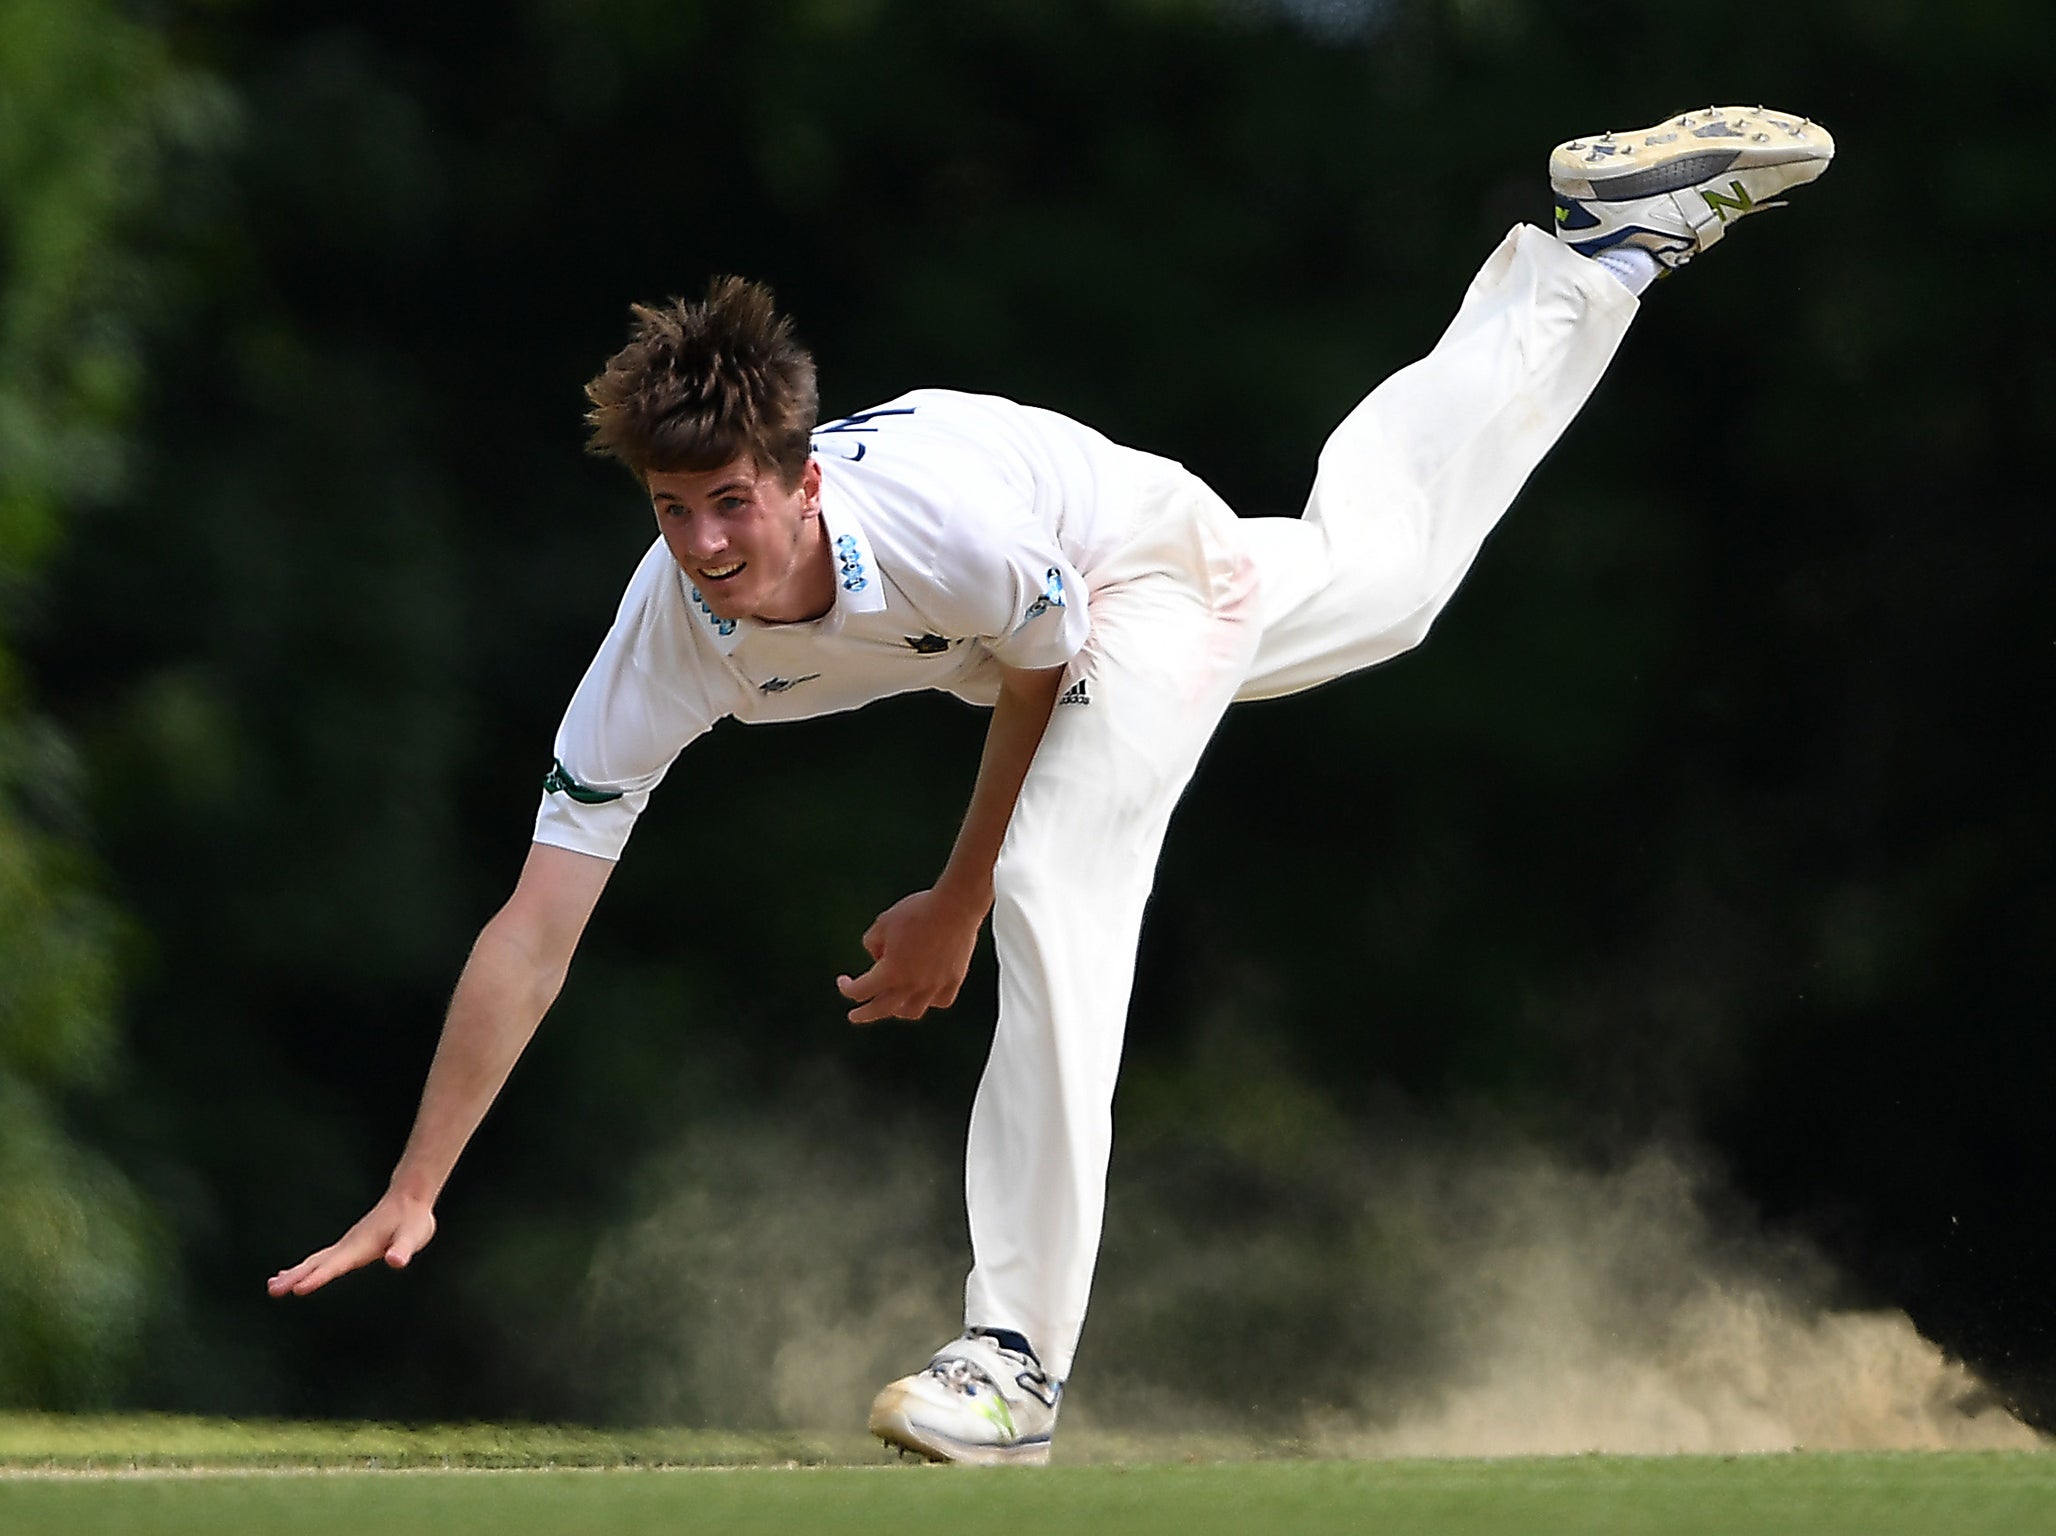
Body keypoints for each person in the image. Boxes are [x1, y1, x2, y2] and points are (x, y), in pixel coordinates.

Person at [269, 107, 1833, 1464]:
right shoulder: (661, 634)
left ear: (802, 481)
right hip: (1051, 607)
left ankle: (1008, 1360)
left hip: (1132, 575)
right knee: (1391, 578)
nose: (705, 549)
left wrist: (957, 901)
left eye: (734, 505)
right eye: (673, 511)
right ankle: (1603, 249)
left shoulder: (935, 529)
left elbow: (1039, 668)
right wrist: (414, 1185)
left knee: (1048, 878)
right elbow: (536, 929)